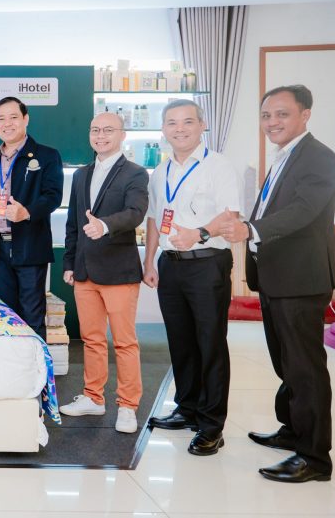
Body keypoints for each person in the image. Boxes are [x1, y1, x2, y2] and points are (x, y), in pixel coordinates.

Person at [214, 85, 335, 483]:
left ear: (305, 114)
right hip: (276, 277)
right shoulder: (286, 156)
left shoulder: (319, 158)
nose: (272, 122)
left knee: (305, 369)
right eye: (266, 115)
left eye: (282, 114)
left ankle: (314, 458)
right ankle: (293, 430)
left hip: (301, 279)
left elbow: (303, 211)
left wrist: (251, 230)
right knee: (285, 363)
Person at [143, 98, 242, 456]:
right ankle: (187, 409)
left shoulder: (218, 165)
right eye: (172, 123)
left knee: (210, 343)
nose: (179, 129)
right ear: (163, 130)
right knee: (181, 342)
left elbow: (231, 215)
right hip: (171, 264)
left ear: (202, 125)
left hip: (207, 262)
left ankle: (211, 425)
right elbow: (154, 218)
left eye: (187, 121)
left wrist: (199, 233)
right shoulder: (160, 171)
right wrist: (149, 261)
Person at [60, 112, 148, 434]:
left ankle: (127, 406)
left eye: (108, 130)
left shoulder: (135, 173)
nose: (100, 135)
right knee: (91, 339)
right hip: (85, 270)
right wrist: (69, 262)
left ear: (122, 135)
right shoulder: (81, 175)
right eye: (95, 130)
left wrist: (105, 225)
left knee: (124, 342)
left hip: (119, 270)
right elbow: (73, 223)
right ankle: (93, 397)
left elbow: (135, 213)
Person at [0, 96, 63, 339]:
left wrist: (27, 212)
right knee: (5, 315)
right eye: (1, 119)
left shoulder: (47, 156)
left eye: (14, 117)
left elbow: (53, 196)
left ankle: (36, 364)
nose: (7, 124)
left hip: (30, 246)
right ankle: (10, 363)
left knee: (32, 315)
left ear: (25, 119)